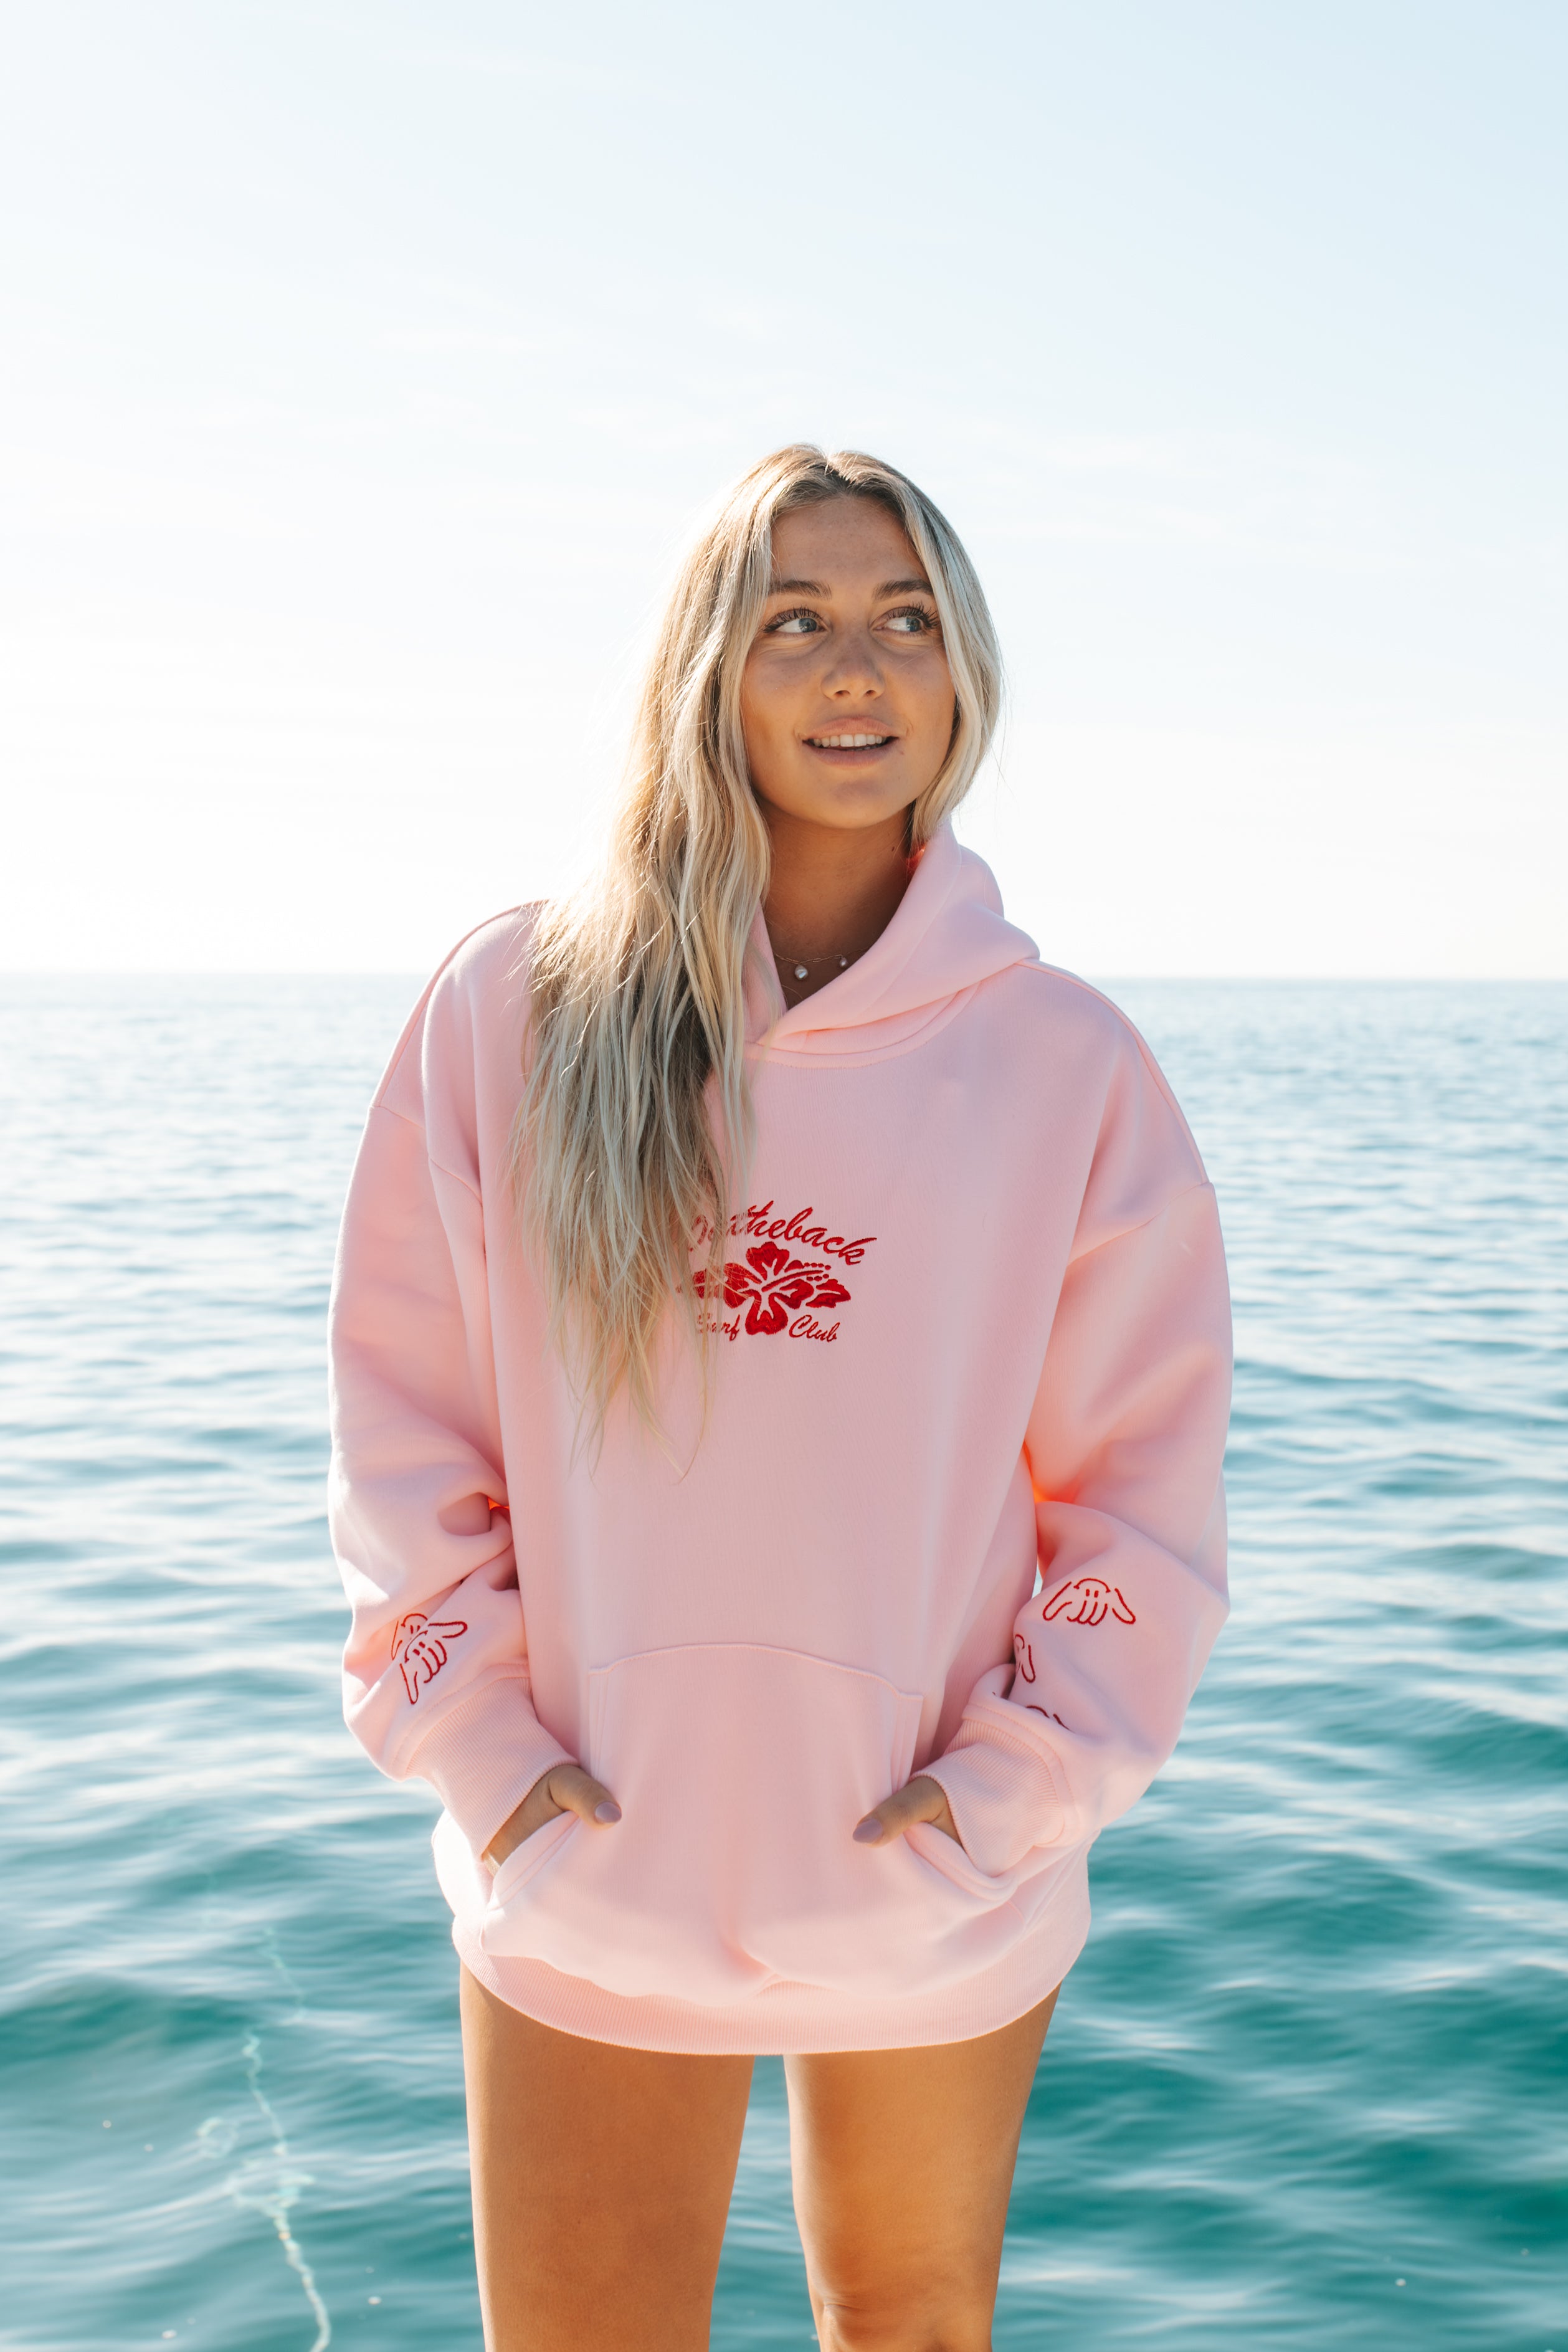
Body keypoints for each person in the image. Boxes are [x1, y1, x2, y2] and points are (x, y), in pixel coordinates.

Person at [328, 444, 1232, 2351]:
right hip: (591, 1863)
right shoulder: (518, 1007)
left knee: (908, 2326)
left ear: (963, 675)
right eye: (796, 620)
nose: (858, 671)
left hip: (931, 1874)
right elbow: (411, 1436)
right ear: (704, 670)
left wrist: (1014, 1790)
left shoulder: (1066, 1060)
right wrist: (490, 1767)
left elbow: (1137, 1503)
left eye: (908, 621)